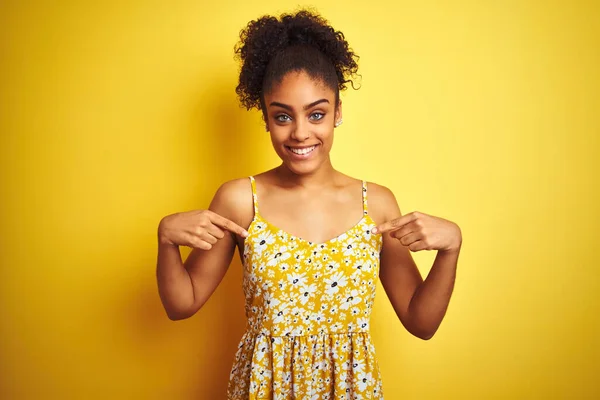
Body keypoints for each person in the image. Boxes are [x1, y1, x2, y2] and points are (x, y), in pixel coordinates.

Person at [156, 10, 462, 400]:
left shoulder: (377, 203)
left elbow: (422, 322)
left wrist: (451, 247)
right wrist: (166, 238)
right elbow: (182, 304)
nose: (300, 132)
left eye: (316, 114)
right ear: (266, 119)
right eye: (282, 116)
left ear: (337, 112)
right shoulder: (239, 200)